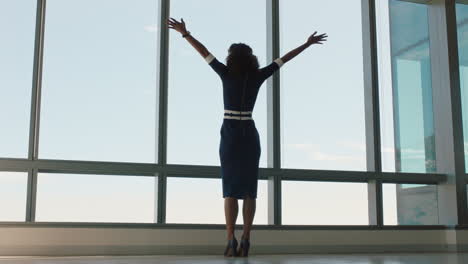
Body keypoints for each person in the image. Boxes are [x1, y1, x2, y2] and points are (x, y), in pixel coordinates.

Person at [167, 17, 327, 257]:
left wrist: (185, 33)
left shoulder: (225, 73)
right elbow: (284, 59)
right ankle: (247, 238)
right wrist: (307, 44)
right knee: (250, 189)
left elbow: (204, 52)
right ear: (251, 58)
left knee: (230, 189)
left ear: (231, 58)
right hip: (249, 133)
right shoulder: (258, 76)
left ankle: (230, 237)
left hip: (230, 133)